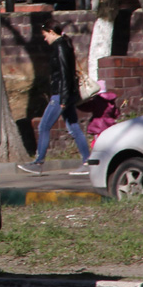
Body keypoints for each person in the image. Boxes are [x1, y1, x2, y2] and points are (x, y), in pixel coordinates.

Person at [19, 21, 91, 176]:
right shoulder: (64, 45)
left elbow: (65, 74)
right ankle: (87, 161)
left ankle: (38, 163)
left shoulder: (60, 47)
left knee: (43, 126)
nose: (45, 39)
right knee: (74, 127)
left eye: (45, 35)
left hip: (60, 95)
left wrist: (64, 99)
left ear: (51, 32)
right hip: (65, 94)